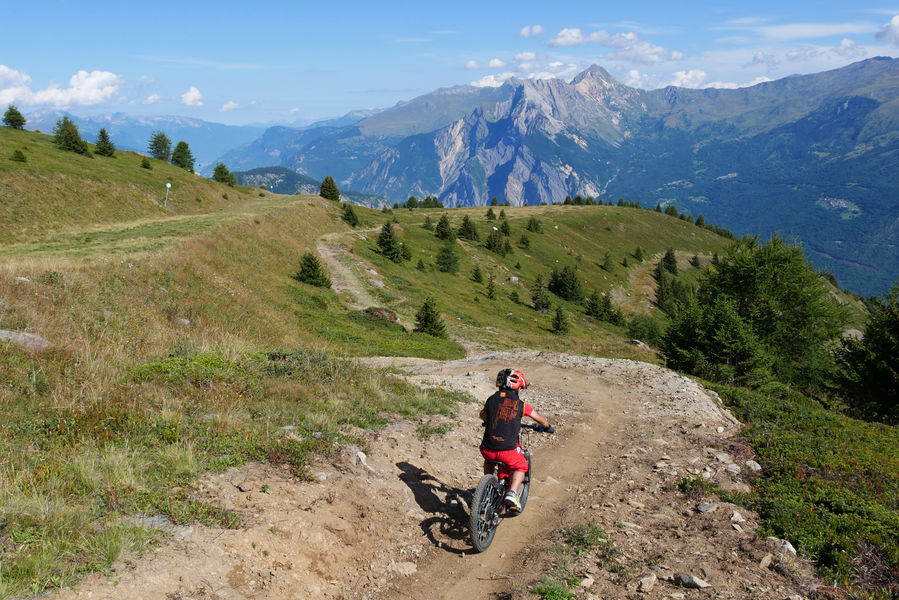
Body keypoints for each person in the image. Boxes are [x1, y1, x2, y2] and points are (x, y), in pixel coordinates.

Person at [479, 368, 552, 513]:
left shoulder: (491, 399)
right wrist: (547, 427)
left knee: (490, 460)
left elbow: (483, 415)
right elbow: (541, 420)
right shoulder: (521, 405)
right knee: (521, 466)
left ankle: (487, 486)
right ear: (518, 387)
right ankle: (512, 493)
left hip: (487, 448)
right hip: (507, 451)